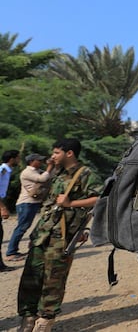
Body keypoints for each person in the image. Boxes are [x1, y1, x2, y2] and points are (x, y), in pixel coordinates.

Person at [17, 139, 103, 332]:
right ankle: (28, 318)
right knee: (31, 277)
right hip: (42, 234)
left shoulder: (85, 174)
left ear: (69, 153)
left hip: (61, 237)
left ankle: (44, 322)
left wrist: (70, 204)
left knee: (53, 280)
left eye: (56, 153)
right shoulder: (57, 173)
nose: (52, 156)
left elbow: (99, 198)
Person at [7, 154, 53, 260]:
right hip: (26, 203)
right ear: (31, 161)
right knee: (22, 227)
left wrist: (51, 167)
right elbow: (42, 179)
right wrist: (49, 167)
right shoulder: (27, 172)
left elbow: (49, 177)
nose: (41, 162)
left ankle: (14, 251)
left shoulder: (37, 171)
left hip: (33, 202)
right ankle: (11, 252)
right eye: (38, 160)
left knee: (24, 227)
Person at [1, 149, 21, 272]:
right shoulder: (2, 170)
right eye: (18, 157)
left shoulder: (7, 171)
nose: (19, 160)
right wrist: (2, 208)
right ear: (12, 159)